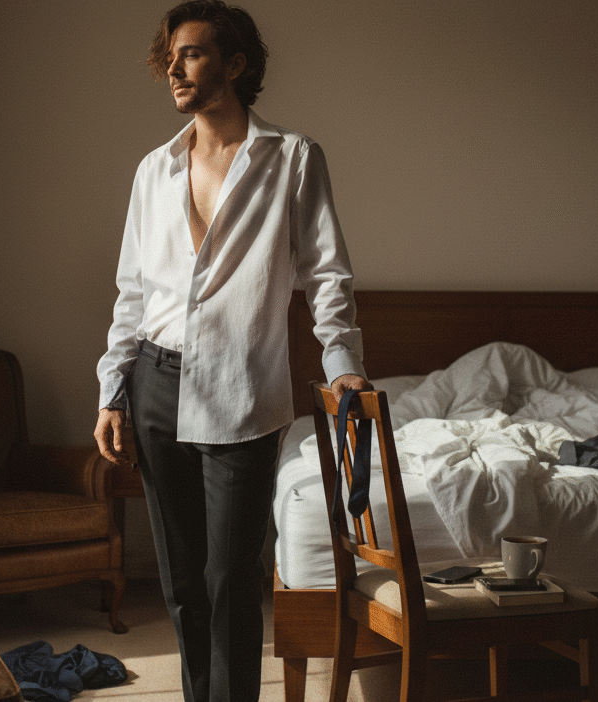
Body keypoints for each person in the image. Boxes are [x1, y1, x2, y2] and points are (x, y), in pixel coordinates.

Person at [94, 2, 370, 700]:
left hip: (242, 389)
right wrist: (112, 391)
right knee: (183, 583)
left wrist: (343, 367)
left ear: (235, 64)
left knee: (231, 582)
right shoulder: (153, 170)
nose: (174, 69)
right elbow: (132, 292)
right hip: (154, 383)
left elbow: (326, 276)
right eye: (170, 56)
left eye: (190, 54)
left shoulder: (293, 159)